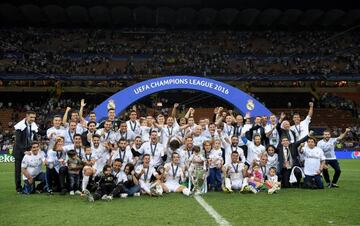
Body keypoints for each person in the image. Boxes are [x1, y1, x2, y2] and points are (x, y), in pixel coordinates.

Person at [14, 110, 38, 193]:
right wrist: (24, 151)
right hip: (19, 151)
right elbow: (18, 141)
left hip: (28, 150)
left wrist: (36, 147)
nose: (33, 119)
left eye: (34, 117)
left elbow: (35, 137)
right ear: (26, 116)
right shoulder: (19, 126)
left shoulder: (33, 125)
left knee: (30, 169)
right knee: (18, 170)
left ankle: (28, 186)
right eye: (31, 117)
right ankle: (18, 188)